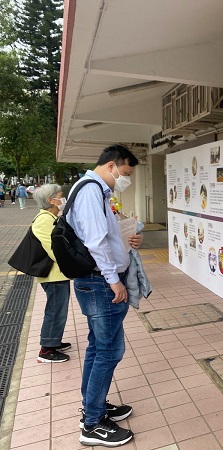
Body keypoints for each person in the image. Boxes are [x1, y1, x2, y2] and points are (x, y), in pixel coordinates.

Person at [67, 144, 142, 447]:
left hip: (97, 281)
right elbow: (96, 242)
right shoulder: (90, 191)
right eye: (125, 173)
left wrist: (128, 237)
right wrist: (115, 282)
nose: (126, 179)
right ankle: (93, 423)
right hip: (100, 283)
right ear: (112, 166)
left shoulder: (98, 192)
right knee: (109, 350)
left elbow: (105, 236)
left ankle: (93, 405)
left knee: (99, 347)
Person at [31, 184, 71, 363]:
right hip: (53, 275)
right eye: (61, 196)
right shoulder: (44, 220)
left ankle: (53, 341)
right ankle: (46, 349)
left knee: (59, 310)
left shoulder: (51, 217)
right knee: (55, 311)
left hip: (58, 274)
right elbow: (55, 250)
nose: (63, 199)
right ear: (51, 200)